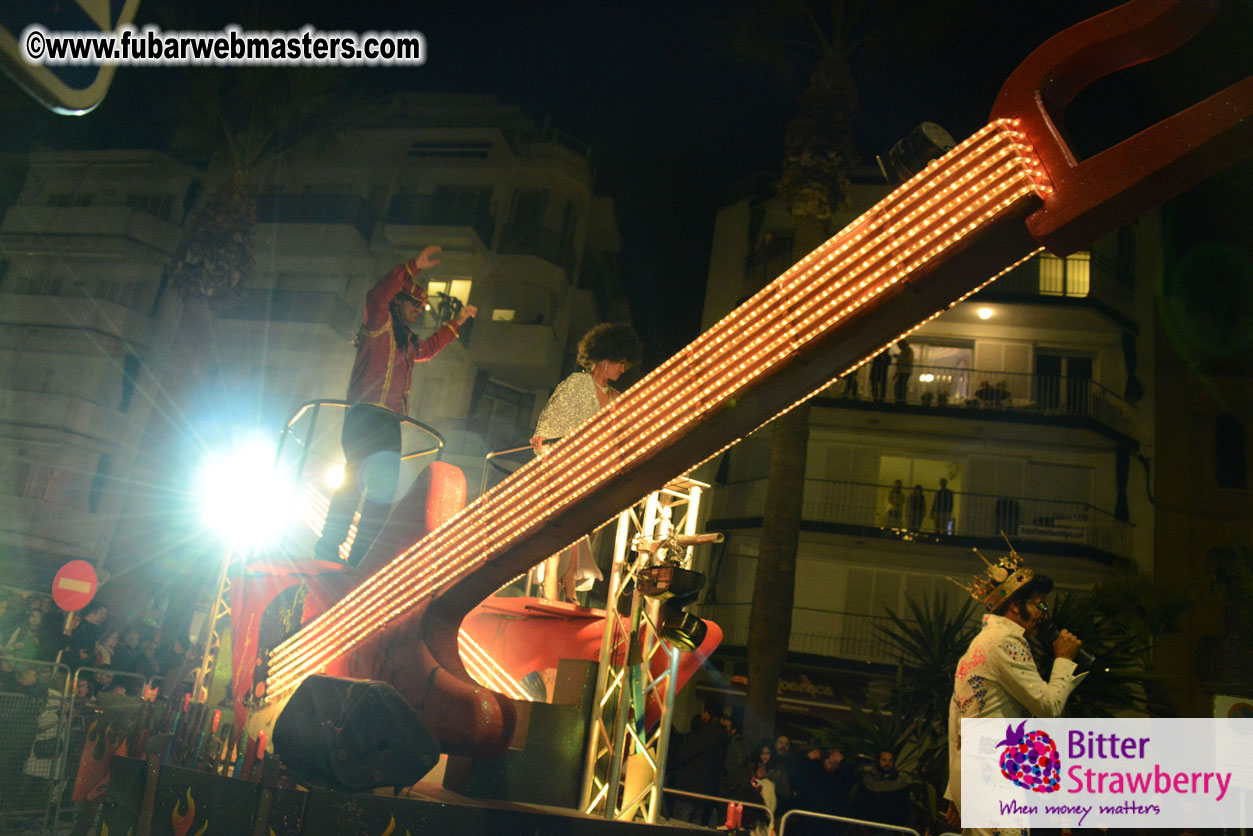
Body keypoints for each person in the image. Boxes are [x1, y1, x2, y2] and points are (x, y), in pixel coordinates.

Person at [315, 245, 477, 565]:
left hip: (390, 422)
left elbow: (429, 349)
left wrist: (457, 321)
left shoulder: (407, 343)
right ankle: (328, 547)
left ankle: (360, 558)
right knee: (354, 480)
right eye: (414, 304)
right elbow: (378, 295)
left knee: (382, 492)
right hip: (365, 416)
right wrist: (414, 266)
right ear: (398, 302)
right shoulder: (379, 324)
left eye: (422, 306)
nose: (419, 310)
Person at [945, 549, 1086, 835]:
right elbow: (1048, 706)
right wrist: (1063, 661)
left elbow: (956, 721)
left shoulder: (977, 646)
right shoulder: (1008, 642)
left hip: (971, 773)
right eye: (1039, 606)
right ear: (1013, 606)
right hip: (993, 774)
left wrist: (954, 789)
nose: (1043, 615)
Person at [529, 322, 642, 601]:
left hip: (595, 469)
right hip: (569, 464)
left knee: (580, 528)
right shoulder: (579, 385)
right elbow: (546, 429)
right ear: (606, 360)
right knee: (563, 525)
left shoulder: (616, 397)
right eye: (621, 363)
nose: (623, 370)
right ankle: (555, 584)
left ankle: (567, 583)